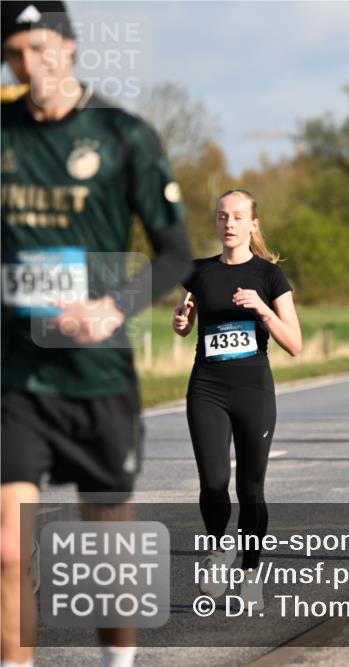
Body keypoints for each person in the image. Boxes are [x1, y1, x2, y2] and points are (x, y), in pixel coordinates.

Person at [1, 4, 193, 666]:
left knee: (107, 556)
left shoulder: (122, 136)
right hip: (14, 376)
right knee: (5, 545)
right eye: (15, 53)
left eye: (41, 49)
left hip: (97, 376)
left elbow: (174, 254)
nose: (30, 66)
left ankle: (118, 660)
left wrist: (114, 307)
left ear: (71, 49)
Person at [173, 189, 301, 608]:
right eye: (222, 216)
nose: (229, 223)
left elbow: (295, 344)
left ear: (253, 225)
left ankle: (250, 571)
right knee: (213, 483)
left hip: (253, 390)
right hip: (206, 386)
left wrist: (263, 310)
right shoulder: (198, 272)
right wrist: (181, 320)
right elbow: (185, 321)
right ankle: (216, 550)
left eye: (238, 217)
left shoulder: (270, 277)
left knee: (250, 489)